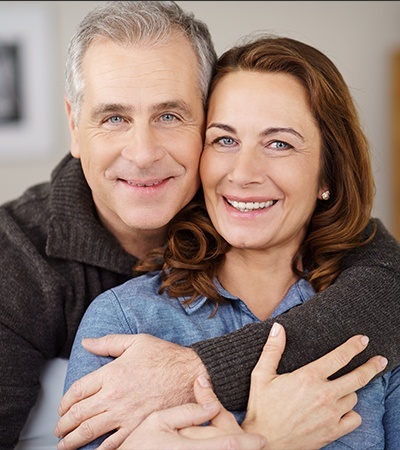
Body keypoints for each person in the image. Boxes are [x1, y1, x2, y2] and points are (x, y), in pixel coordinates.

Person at [0, 0, 398, 447]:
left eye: (169, 115)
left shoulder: (345, 272)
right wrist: (261, 439)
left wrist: (197, 369)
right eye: (114, 117)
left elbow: (392, 284)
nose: (144, 152)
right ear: (75, 126)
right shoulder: (30, 271)